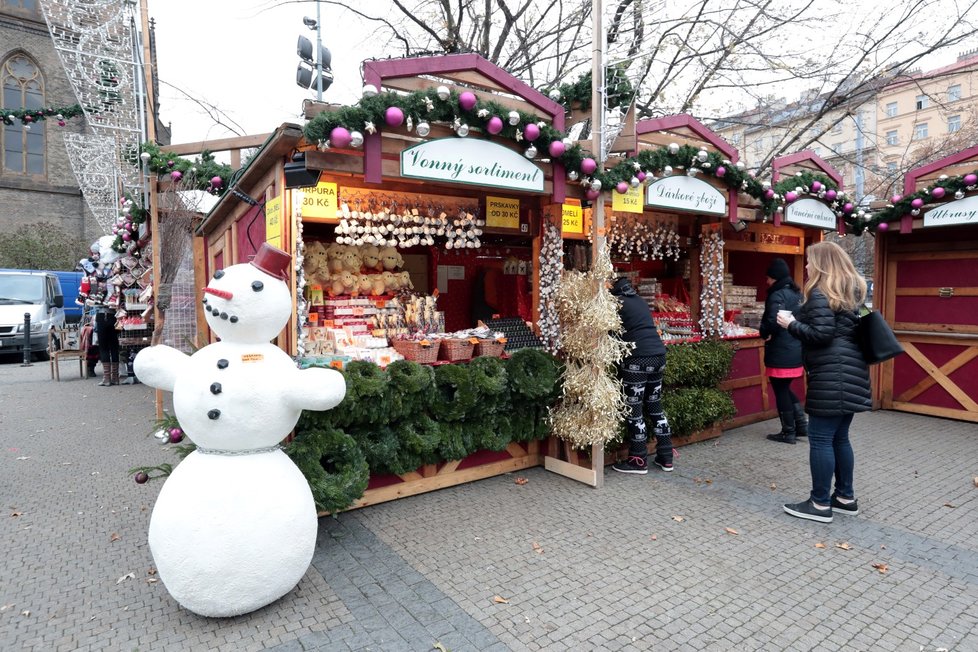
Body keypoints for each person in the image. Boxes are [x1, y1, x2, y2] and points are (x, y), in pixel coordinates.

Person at [777, 242, 871, 523]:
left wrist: (790, 323)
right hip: (852, 372)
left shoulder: (820, 292)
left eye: (809, 261)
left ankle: (819, 504)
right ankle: (845, 497)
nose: (806, 266)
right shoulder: (851, 292)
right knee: (839, 437)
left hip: (832, 375)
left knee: (820, 439)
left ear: (820, 264)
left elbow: (822, 335)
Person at [609, 276, 674, 474]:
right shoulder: (639, 301)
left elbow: (610, 332)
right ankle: (666, 456)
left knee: (634, 410)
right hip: (658, 356)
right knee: (655, 406)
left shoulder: (618, 303)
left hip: (638, 360)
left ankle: (638, 460)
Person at [758, 258, 807, 444]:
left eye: (769, 278)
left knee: (780, 390)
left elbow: (773, 321)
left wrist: (764, 332)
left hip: (781, 350)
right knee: (784, 388)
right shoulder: (796, 294)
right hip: (794, 348)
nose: (767, 282)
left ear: (775, 278)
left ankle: (788, 432)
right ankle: (801, 425)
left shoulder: (777, 295)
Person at [95, 306, 120, 386]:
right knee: (114, 347)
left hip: (101, 316)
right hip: (114, 317)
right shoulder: (116, 292)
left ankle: (107, 378)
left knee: (103, 347)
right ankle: (115, 378)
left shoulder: (98, 292)